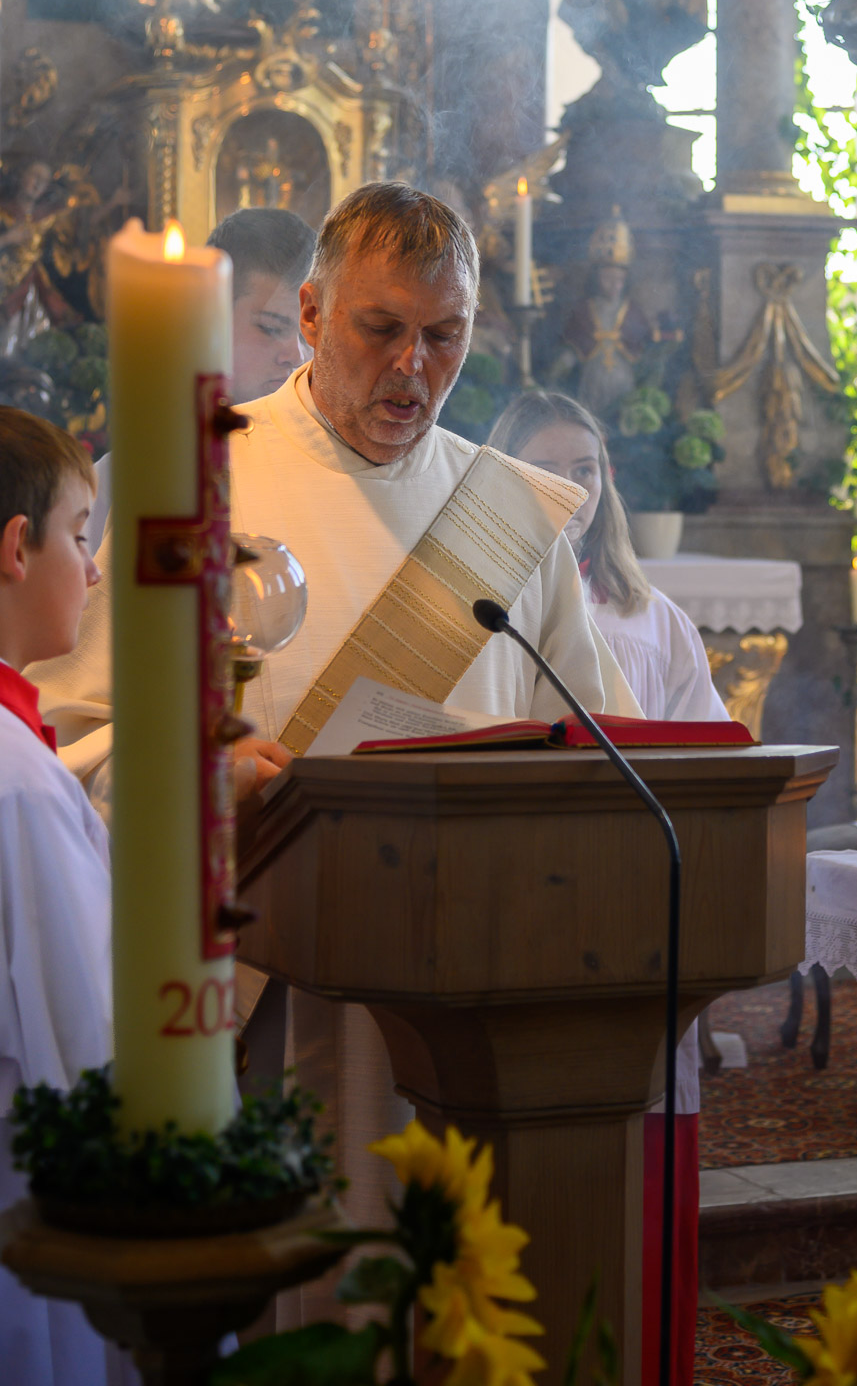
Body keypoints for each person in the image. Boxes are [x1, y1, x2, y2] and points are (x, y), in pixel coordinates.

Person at [31, 183, 639, 1320]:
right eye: (381, 328)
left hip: (484, 979)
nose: (414, 365)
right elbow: (58, 745)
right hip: (272, 979)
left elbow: (586, 738)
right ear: (309, 315)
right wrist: (203, 784)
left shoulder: (505, 511)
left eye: (444, 335)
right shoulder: (180, 478)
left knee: (459, 1306)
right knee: (302, 1303)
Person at [488, 389, 726, 1386]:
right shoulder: (485, 601)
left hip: (632, 914)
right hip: (518, 912)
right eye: (549, 469)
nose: (573, 489)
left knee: (643, 1169)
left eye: (585, 468)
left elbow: (704, 747)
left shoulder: (646, 612)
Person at [0, 408, 131, 1385]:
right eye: (80, 534)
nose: (91, 570)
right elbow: (84, 1029)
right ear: (16, 546)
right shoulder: (16, 782)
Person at [85, 208, 317, 555]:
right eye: (270, 327)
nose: (295, 355)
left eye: (306, 331)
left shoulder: (326, 473)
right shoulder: (126, 480)